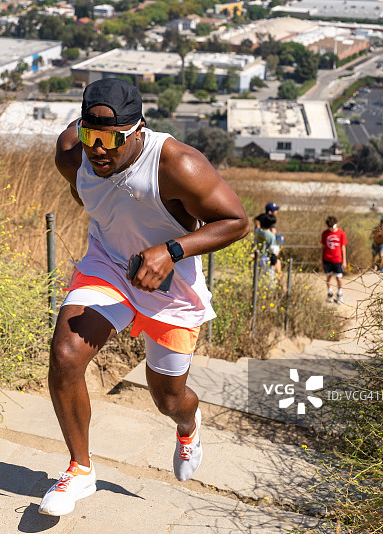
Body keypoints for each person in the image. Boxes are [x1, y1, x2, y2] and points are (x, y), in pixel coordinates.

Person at [39, 78, 250, 517]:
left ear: (137, 131)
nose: (97, 149)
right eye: (88, 134)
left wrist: (171, 251)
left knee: (168, 399)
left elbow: (235, 221)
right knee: (65, 354)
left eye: (110, 139)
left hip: (171, 289)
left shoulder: (176, 165)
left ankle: (188, 429)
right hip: (109, 267)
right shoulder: (71, 154)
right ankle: (80, 470)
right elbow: (91, 199)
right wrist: (121, 242)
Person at [321, 216, 347, 304]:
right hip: (327, 259)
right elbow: (323, 247)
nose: (331, 228)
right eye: (330, 227)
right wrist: (321, 261)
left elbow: (343, 247)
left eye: (333, 226)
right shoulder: (325, 233)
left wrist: (344, 260)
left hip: (338, 260)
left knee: (339, 278)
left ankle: (340, 294)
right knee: (328, 277)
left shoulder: (341, 233)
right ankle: (330, 293)